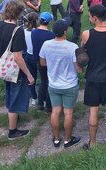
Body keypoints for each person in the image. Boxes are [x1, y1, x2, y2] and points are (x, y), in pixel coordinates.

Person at [81, 5, 106, 149]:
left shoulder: (87, 34)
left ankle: (92, 143)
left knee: (93, 110)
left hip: (93, 77)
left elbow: (82, 54)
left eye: (89, 16)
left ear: (95, 18)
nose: (89, 18)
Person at [0, 0, 34, 140]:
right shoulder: (18, 31)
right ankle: (13, 131)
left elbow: (1, 14)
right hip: (15, 69)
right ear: (18, 14)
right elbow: (18, 57)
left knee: (10, 92)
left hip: (4, 66)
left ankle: (14, 118)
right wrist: (28, 74)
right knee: (16, 97)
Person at [39, 19, 82, 148]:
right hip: (70, 85)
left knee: (55, 112)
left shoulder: (46, 44)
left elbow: (42, 63)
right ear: (65, 31)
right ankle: (68, 140)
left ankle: (57, 139)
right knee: (68, 113)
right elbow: (78, 70)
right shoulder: (72, 47)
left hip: (53, 85)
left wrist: (53, 63)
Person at [31, 12, 55, 113]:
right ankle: (49, 106)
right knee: (50, 83)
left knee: (43, 82)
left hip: (38, 61)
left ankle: (40, 103)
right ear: (49, 22)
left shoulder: (34, 32)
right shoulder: (51, 35)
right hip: (49, 62)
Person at [23, 12, 39, 106]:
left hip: (28, 56)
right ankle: (44, 98)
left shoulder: (24, 31)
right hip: (38, 57)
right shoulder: (37, 32)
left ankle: (34, 98)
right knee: (44, 77)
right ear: (37, 21)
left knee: (31, 77)